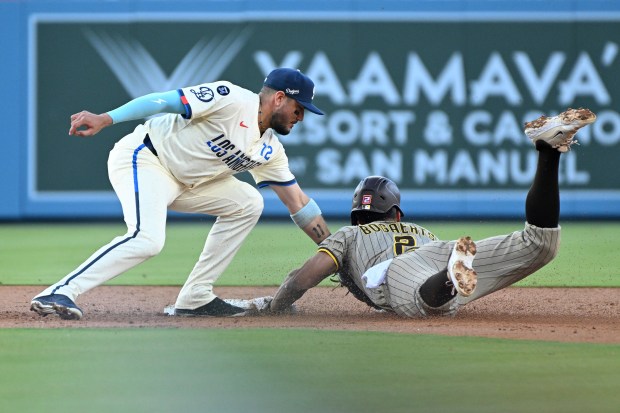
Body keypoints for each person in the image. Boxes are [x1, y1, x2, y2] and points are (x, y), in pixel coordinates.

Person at [30, 68, 331, 320]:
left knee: (249, 202)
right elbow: (162, 101)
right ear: (280, 98)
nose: (301, 117)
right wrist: (107, 118)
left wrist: (334, 252)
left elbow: (299, 203)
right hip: (147, 158)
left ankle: (195, 296)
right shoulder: (232, 98)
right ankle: (59, 291)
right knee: (147, 239)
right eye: (299, 108)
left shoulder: (270, 150)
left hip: (187, 184)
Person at [240, 108, 596, 318]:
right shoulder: (418, 229)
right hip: (438, 249)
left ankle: (447, 280)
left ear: (355, 216)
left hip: (399, 269)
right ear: (395, 214)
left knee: (422, 304)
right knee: (539, 244)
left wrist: (279, 303)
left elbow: (307, 276)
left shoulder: (347, 235)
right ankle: (548, 152)